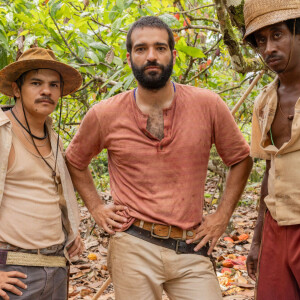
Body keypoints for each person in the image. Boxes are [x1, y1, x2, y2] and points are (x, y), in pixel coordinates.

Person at [66, 16, 252, 300]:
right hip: (133, 243)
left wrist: (221, 216)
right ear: (129, 58)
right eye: (141, 49)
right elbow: (75, 160)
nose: (151, 56)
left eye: (160, 48)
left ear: (173, 55)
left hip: (191, 244)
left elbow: (241, 158)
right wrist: (96, 207)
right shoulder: (105, 114)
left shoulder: (208, 104)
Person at [0, 47, 84, 300]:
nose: (46, 91)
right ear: (16, 89)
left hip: (56, 266)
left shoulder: (54, 140)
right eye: (36, 83)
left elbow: (51, 195)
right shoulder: (3, 133)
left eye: (53, 85)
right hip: (13, 270)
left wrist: (71, 233)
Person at [243, 0, 300, 299]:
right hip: (278, 225)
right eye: (261, 40)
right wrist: (257, 240)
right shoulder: (264, 102)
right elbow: (270, 170)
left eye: (277, 35)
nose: (268, 49)